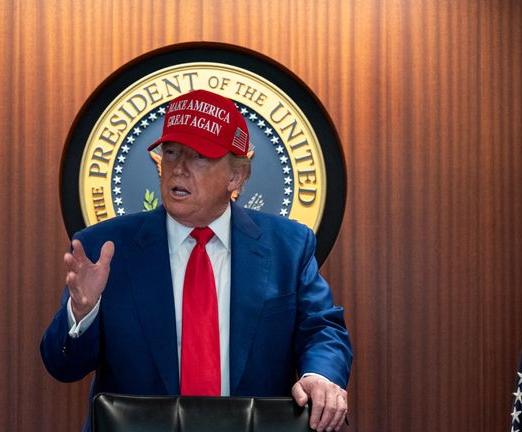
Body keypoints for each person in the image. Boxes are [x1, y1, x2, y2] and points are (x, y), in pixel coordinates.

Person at [41, 89, 352, 432]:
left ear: (236, 176)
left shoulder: (288, 247)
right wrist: (81, 312)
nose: (178, 169)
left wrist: (320, 375)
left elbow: (321, 328)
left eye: (199, 156)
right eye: (171, 153)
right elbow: (62, 366)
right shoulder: (105, 248)